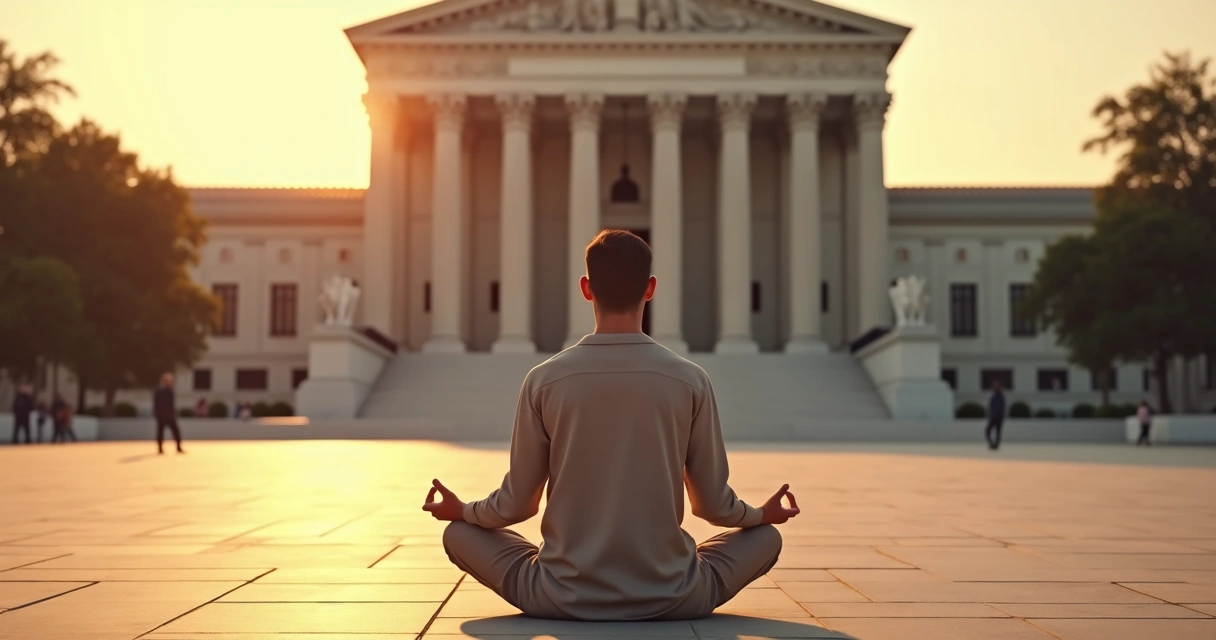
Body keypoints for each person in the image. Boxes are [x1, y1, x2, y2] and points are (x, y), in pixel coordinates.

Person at [424, 230, 799, 621]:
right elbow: (713, 505)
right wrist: (758, 516)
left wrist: (465, 510)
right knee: (766, 539)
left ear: (586, 289)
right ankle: (668, 577)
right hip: (675, 596)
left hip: (559, 596)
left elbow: (517, 504)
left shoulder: (544, 380)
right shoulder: (690, 380)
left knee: (458, 534)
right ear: (650, 289)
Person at [154, 373, 184, 454]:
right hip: (163, 416)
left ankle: (178, 447)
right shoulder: (162, 391)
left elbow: (171, 404)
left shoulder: (168, 391)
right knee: (161, 433)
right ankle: (160, 448)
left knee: (175, 432)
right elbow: (156, 404)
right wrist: (157, 414)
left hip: (169, 415)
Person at [986, 380, 1006, 450]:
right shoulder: (993, 395)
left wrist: (998, 415)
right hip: (995, 416)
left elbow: (1001, 407)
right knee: (989, 430)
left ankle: (995, 445)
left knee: (997, 431)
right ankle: (992, 444)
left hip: (997, 416)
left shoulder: (999, 395)